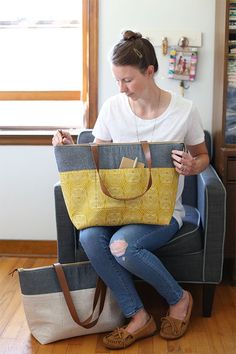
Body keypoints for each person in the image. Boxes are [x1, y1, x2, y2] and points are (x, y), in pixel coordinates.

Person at [52, 30, 209, 349]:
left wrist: (193, 166)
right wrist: (70, 147)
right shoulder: (112, 108)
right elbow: (96, 157)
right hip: (114, 208)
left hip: (161, 212)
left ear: (150, 71)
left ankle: (179, 299)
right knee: (88, 236)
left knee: (122, 246)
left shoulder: (184, 110)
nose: (121, 89)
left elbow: (203, 155)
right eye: (117, 81)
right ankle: (138, 316)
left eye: (127, 80)